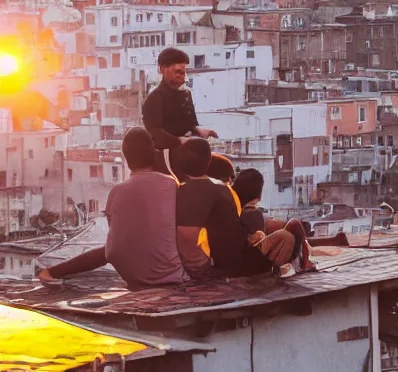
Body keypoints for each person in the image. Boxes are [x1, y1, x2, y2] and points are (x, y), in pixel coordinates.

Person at [38, 128, 187, 288]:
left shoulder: (117, 192)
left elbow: (114, 246)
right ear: (153, 154)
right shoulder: (171, 185)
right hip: (174, 277)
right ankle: (52, 271)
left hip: (135, 278)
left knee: (111, 248)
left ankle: (51, 272)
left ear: (127, 159)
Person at [175, 139, 295, 279]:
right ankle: (271, 277)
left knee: (281, 235)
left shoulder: (182, 189)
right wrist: (203, 270)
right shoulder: (220, 189)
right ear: (208, 160)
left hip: (230, 260)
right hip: (232, 265)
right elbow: (188, 235)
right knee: (288, 235)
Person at [233, 168, 314, 278]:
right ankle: (306, 260)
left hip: (249, 257)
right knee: (292, 227)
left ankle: (304, 257)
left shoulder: (237, 209)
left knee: (289, 227)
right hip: (253, 259)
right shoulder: (252, 213)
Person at [142, 47, 218, 154]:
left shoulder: (186, 94)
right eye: (178, 72)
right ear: (163, 69)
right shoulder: (154, 98)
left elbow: (190, 123)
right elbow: (155, 133)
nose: (182, 77)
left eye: (183, 73)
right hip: (165, 156)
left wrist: (200, 130)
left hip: (187, 151)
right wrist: (179, 141)